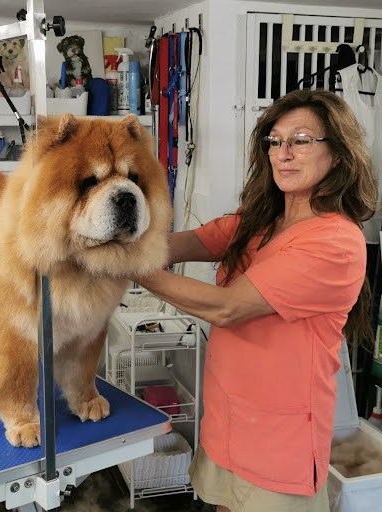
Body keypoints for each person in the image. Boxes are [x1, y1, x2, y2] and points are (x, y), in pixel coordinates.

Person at [134, 89, 377, 512]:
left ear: (337, 154)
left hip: (281, 446)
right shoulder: (260, 219)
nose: (283, 153)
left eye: (301, 140)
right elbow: (187, 243)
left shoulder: (336, 242)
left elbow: (226, 307)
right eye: (274, 141)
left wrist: (125, 266)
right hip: (227, 425)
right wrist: (114, 239)